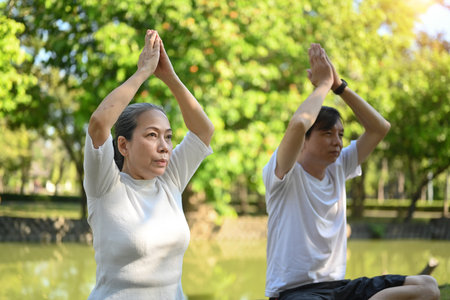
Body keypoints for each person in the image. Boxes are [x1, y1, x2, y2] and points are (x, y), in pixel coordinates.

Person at [262, 43, 440, 300]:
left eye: (341, 135)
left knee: (428, 287)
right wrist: (323, 85)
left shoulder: (338, 167)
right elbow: (300, 122)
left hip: (339, 288)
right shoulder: (283, 174)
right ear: (304, 141)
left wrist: (339, 87)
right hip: (294, 294)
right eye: (327, 133)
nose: (337, 141)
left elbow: (379, 127)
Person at [83, 29, 214, 299]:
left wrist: (168, 76)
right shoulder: (106, 187)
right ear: (123, 145)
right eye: (152, 135)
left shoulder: (170, 181)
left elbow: (203, 131)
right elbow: (98, 124)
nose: (165, 146)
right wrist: (143, 72)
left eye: (168, 137)